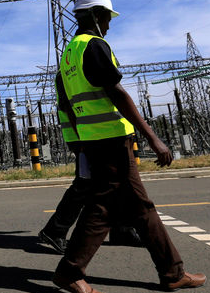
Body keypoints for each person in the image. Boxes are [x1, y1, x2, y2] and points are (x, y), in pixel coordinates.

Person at [51, 0, 206, 293]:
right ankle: (70, 271)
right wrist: (152, 136)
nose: (109, 24)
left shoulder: (68, 54)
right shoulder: (93, 45)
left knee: (139, 207)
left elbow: (66, 105)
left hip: (96, 141)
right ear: (95, 15)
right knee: (103, 207)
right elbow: (117, 92)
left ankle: (173, 273)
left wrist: (78, 144)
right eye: (107, 16)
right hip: (111, 140)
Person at [37, 72, 143, 255]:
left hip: (96, 134)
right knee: (85, 183)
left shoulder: (77, 69)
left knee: (112, 180)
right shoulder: (68, 72)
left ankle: (121, 229)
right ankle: (54, 230)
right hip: (84, 137)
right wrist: (82, 139)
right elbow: (66, 105)